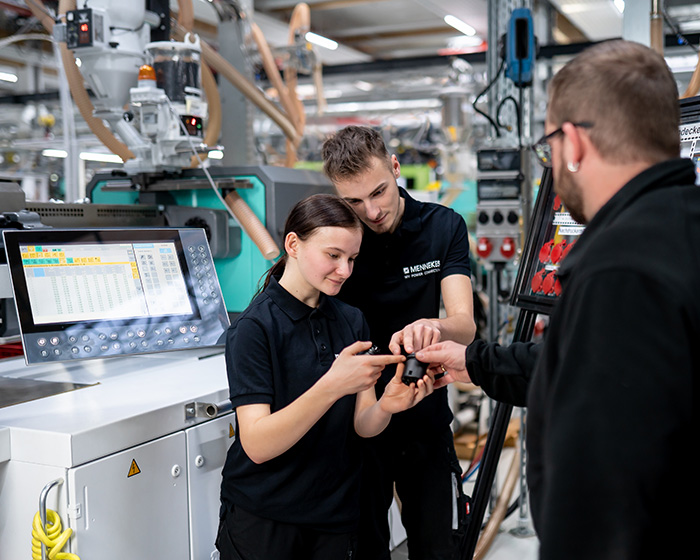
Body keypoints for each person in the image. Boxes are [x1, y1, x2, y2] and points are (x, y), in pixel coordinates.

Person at [416, 39, 697, 560]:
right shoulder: (680, 228)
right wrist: (472, 362)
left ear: (574, 143)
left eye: (548, 147)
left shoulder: (620, 268)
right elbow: (586, 365)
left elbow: (600, 491)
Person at [217, 194, 436, 560]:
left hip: (334, 516)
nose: (345, 271)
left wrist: (386, 405)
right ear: (293, 244)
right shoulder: (255, 329)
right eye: (333, 256)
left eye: (351, 259)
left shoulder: (351, 320)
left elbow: (363, 424)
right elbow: (256, 444)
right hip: (265, 519)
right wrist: (331, 386)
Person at [321, 126, 477, 559]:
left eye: (379, 192)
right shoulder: (341, 243)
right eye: (353, 202)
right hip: (358, 414)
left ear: (395, 169)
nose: (370, 212)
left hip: (422, 406)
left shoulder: (443, 226)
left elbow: (464, 325)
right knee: (365, 547)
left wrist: (436, 326)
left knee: (436, 545)